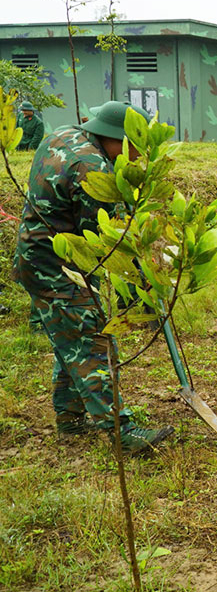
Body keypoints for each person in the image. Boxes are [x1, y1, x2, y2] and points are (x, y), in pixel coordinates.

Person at [12, 101, 174, 453]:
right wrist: (146, 270)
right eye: (136, 147)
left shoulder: (63, 135)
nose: (135, 157)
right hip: (59, 268)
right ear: (119, 139)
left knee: (70, 340)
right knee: (94, 343)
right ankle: (122, 432)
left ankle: (70, 420)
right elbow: (102, 242)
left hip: (35, 257)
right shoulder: (92, 170)